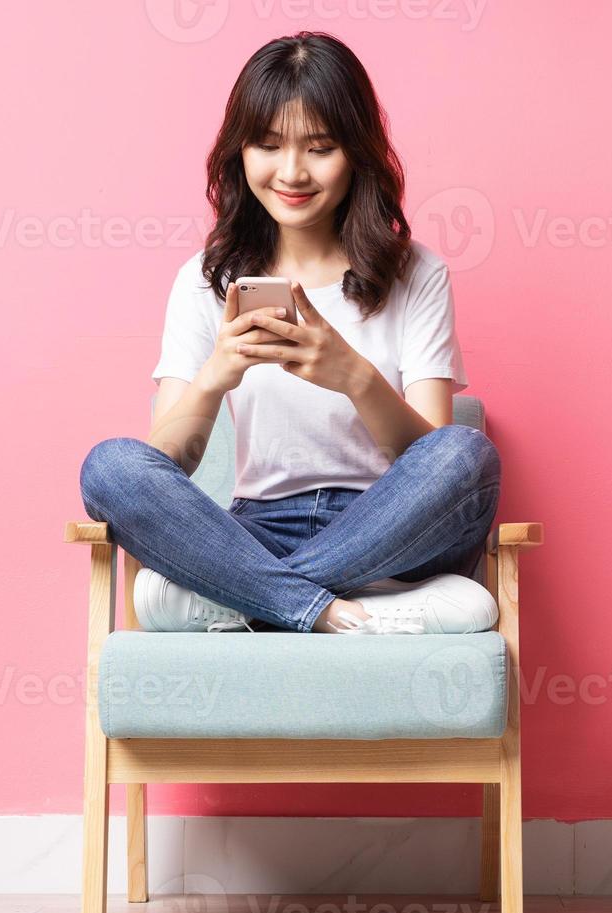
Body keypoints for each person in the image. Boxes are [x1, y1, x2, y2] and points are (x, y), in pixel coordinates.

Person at [78, 32, 500, 636]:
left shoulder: (416, 273)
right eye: (269, 145)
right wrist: (215, 377)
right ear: (240, 152)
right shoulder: (206, 281)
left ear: (356, 153)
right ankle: (332, 609)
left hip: (390, 531)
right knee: (110, 467)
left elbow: (433, 460)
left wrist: (354, 377)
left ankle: (252, 598)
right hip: (258, 528)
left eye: (321, 147)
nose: (292, 172)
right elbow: (168, 458)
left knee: (466, 453)